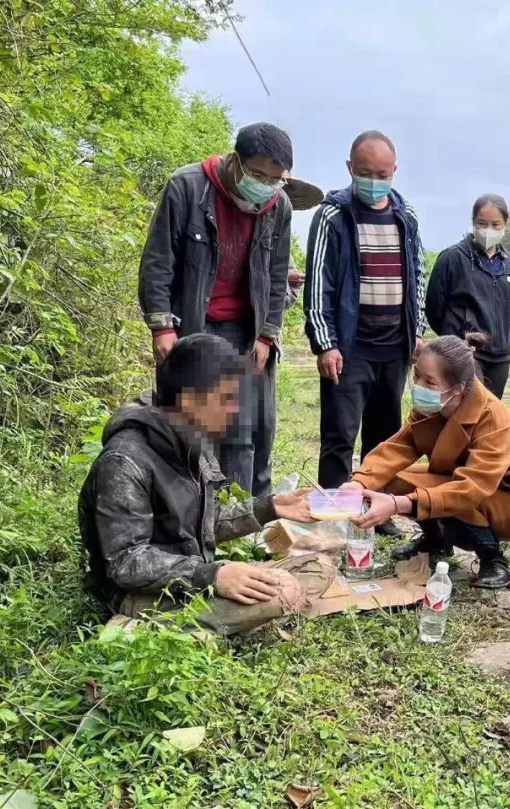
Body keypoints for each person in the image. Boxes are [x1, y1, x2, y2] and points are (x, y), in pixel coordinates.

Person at [78, 334, 334, 637]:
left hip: (198, 579)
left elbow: (204, 522)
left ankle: (214, 623)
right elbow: (125, 562)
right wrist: (212, 575)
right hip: (146, 593)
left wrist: (271, 507)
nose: (235, 410)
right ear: (189, 400)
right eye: (226, 399)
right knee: (280, 594)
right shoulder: (124, 461)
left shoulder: (192, 438)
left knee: (319, 567)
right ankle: (145, 630)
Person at [138, 122, 295, 499]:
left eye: (276, 179)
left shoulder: (280, 207)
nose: (265, 184)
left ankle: (247, 519)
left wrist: (266, 334)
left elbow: (276, 276)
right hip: (194, 328)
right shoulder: (188, 187)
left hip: (247, 331)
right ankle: (190, 514)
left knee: (249, 429)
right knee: (191, 424)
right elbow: (159, 261)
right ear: (235, 160)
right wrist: (162, 327)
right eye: (257, 174)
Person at [341, 334, 510, 589]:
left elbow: (471, 488)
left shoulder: (493, 418)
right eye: (416, 375)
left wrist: (399, 505)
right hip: (463, 485)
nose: (418, 385)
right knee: (393, 479)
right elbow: (398, 447)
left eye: (429, 381)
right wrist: (360, 482)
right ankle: (436, 541)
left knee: (450, 494)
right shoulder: (433, 405)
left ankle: (493, 560)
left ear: (459, 388)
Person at [304, 130, 427, 537]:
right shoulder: (332, 216)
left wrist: (417, 334)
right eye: (364, 171)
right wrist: (326, 342)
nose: (373, 179)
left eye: (381, 172)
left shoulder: (404, 216)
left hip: (394, 348)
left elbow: (417, 277)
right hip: (350, 349)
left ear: (394, 171)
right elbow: (318, 281)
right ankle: (336, 519)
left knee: (385, 437)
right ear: (349, 169)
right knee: (339, 436)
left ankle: (377, 513)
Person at [425, 193, 510, 399]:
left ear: (505, 225)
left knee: (489, 416)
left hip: (500, 357)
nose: (488, 230)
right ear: (473, 223)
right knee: (463, 411)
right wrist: (456, 337)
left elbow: (508, 308)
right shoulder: (452, 258)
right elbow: (434, 308)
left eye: (495, 224)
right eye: (482, 223)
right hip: (464, 355)